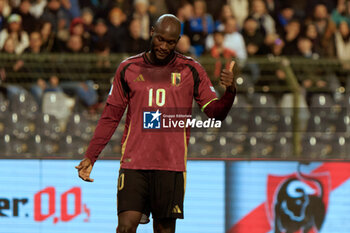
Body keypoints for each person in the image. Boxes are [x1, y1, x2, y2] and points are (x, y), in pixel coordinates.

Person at [75, 14, 236, 233]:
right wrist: (91, 155)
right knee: (125, 227)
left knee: (164, 230)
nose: (164, 46)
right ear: (152, 32)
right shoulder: (127, 68)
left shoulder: (191, 70)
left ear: (177, 41)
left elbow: (215, 113)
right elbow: (110, 116)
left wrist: (230, 92)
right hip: (134, 163)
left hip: (171, 165)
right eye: (160, 39)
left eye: (171, 42)